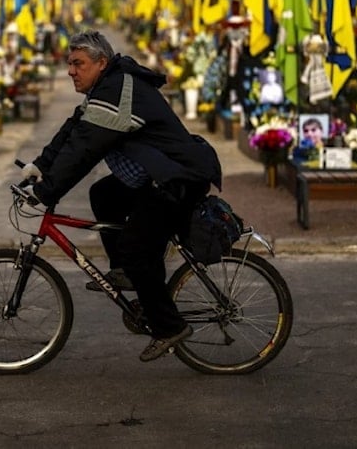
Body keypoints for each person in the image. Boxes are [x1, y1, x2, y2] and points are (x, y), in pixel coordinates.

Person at [22, 30, 221, 362]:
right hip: (158, 177)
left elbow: (84, 149)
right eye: (69, 63)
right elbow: (73, 129)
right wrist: (39, 166)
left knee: (137, 246)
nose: (71, 70)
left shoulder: (117, 91)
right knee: (104, 194)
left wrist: (46, 191)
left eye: (78, 63)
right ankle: (127, 273)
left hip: (176, 180)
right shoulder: (107, 86)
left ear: (101, 63)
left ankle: (169, 326)